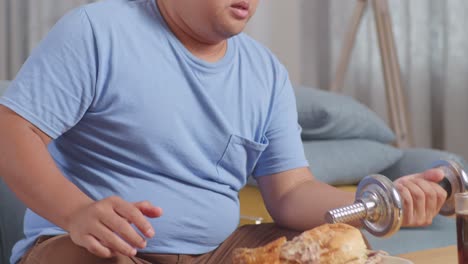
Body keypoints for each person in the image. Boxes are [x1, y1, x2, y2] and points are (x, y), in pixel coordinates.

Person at [0, 0, 448, 263]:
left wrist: (382, 202)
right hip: (95, 250)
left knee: (333, 251)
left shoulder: (265, 72)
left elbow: (292, 195)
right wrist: (77, 213)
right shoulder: (98, 31)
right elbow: (11, 131)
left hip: (220, 252)